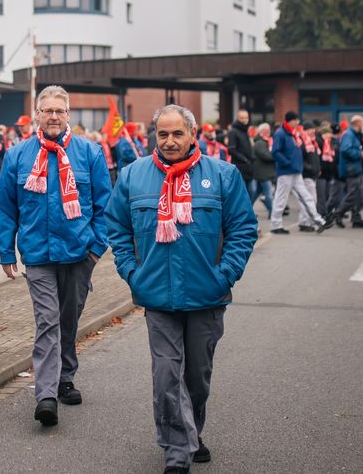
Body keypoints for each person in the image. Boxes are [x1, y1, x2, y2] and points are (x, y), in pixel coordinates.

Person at [105, 104, 258, 474]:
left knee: (197, 377)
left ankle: (192, 431)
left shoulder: (224, 175)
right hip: (157, 295)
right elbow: (117, 229)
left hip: (207, 295)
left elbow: (243, 229)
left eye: (177, 134)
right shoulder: (133, 175)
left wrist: (226, 274)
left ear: (193, 135)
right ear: (153, 137)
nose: (170, 141)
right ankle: (177, 452)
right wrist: (132, 272)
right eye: (163, 134)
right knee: (166, 375)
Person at [0, 85, 111, 427]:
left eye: (60, 111)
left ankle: (65, 377)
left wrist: (94, 249)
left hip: (79, 254)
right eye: (48, 111)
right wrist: (6, 249)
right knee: (48, 321)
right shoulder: (18, 155)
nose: (54, 116)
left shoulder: (90, 153)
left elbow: (105, 206)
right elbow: (4, 206)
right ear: (38, 115)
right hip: (38, 255)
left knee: (69, 319)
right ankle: (46, 394)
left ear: (68, 114)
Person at [270, 112, 328, 235]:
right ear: (290, 121)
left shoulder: (294, 133)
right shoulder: (280, 133)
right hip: (286, 172)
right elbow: (275, 152)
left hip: (296, 172)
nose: (297, 122)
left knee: (307, 197)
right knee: (281, 199)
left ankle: (319, 221)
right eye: (295, 120)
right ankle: (276, 225)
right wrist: (287, 163)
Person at [334, 115, 363, 228]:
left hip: (356, 168)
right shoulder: (349, 135)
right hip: (351, 169)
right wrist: (360, 154)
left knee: (358, 194)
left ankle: (356, 217)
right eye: (362, 123)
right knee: (353, 194)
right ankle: (338, 214)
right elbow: (345, 150)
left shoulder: (355, 135)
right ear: (357, 123)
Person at [225, 110, 254, 193]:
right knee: (243, 192)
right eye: (242, 118)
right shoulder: (234, 132)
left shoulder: (246, 131)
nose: (244, 120)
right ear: (238, 118)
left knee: (252, 191)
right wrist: (244, 159)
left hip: (249, 167)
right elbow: (231, 150)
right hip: (239, 167)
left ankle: (247, 206)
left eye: (246, 117)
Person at [251, 123, 276, 218]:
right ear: (261, 132)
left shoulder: (265, 142)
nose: (268, 132)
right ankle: (272, 213)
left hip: (263, 172)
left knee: (256, 193)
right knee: (268, 194)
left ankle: (247, 209)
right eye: (266, 130)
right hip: (263, 172)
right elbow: (265, 155)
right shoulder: (260, 143)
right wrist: (276, 156)